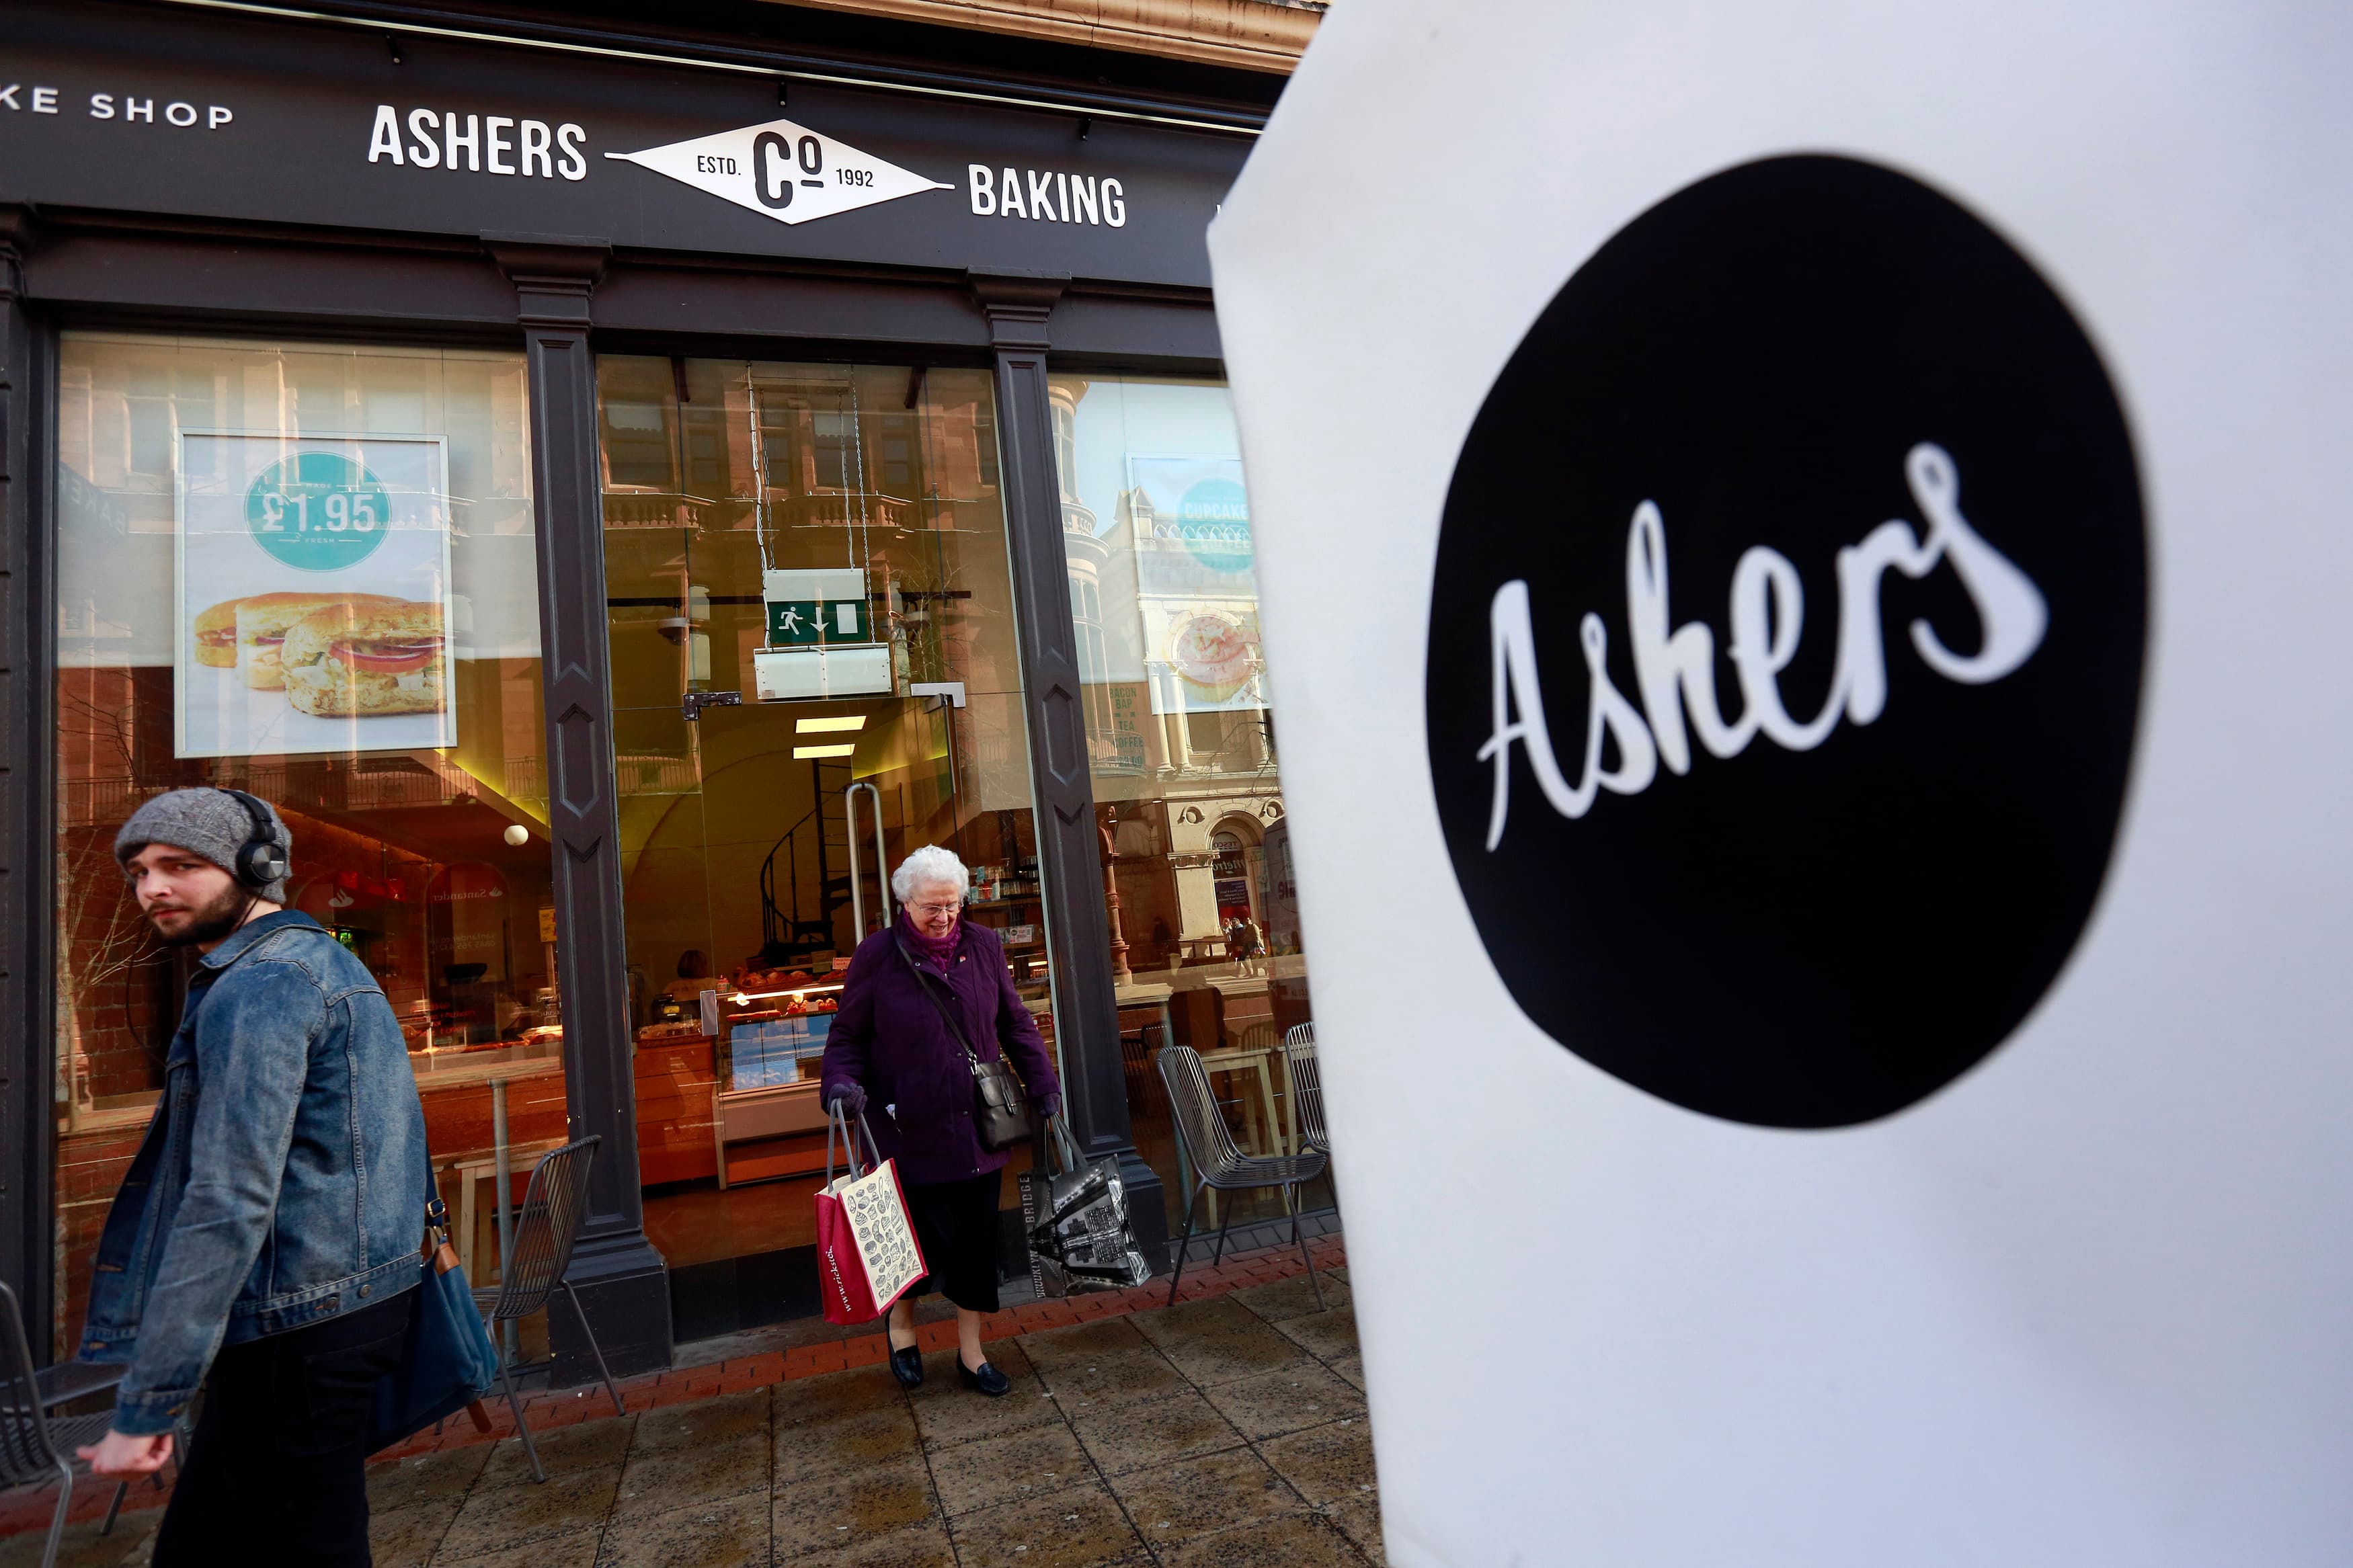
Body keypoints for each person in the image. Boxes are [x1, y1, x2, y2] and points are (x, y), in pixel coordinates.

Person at [77, 788, 431, 1567]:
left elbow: (229, 1196)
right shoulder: (323, 963)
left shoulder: (262, 985)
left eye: (180, 865)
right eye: (139, 871)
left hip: (296, 1327)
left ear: (257, 868)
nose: (152, 888)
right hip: (328, 1310)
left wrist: (149, 1401)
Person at [821, 845, 1060, 1395]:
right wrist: (839, 1083)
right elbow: (848, 1036)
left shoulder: (983, 945)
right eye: (932, 906)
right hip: (907, 1127)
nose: (945, 916)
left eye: (952, 904)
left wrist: (1043, 1084)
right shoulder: (877, 956)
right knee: (914, 1240)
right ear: (905, 902)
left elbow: (1015, 1023)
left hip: (978, 1124)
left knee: (976, 1245)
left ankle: (971, 1353)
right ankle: (902, 1330)